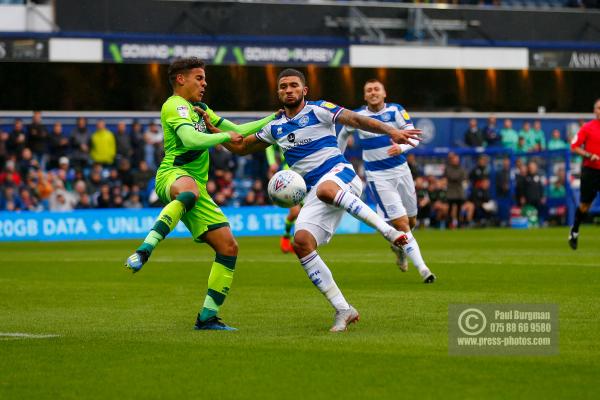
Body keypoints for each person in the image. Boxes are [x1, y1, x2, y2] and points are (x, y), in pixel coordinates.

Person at [209, 68, 422, 332]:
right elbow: (242, 147)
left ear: (304, 90)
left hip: (341, 176)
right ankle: (343, 309)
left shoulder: (319, 109)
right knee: (301, 242)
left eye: (294, 86)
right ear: (278, 92)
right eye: (283, 86)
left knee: (325, 189)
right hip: (315, 192)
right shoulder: (275, 127)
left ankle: (389, 232)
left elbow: (355, 119)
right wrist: (215, 131)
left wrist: (391, 130)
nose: (289, 90)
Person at [124, 57, 277, 331]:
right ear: (181, 79)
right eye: (199, 78)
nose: (205, 84)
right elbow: (192, 140)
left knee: (228, 246)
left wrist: (276, 119)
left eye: (205, 79)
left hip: (197, 188)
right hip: (172, 174)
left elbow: (238, 130)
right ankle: (144, 250)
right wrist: (223, 138)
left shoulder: (200, 109)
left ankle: (207, 317)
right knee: (190, 190)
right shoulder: (174, 106)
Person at [337, 78, 436, 282]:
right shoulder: (358, 116)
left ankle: (398, 249)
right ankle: (424, 269)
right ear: (365, 96)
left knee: (411, 220)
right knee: (402, 225)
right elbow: (343, 134)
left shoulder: (396, 111)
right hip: (377, 176)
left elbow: (415, 137)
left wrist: (401, 148)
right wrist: (337, 158)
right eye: (369, 90)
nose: (373, 92)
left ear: (384, 94)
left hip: (401, 171)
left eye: (376, 89)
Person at [569, 98, 600, 250]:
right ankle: (574, 230)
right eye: (599, 108)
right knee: (585, 205)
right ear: (595, 111)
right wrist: (589, 155)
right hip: (591, 171)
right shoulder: (587, 128)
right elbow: (573, 146)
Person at [265, 144, 300, 253]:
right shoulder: (282, 128)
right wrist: (272, 162)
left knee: (304, 213)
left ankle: (298, 243)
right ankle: (285, 237)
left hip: (306, 171)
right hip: (289, 173)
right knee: (295, 212)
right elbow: (268, 145)